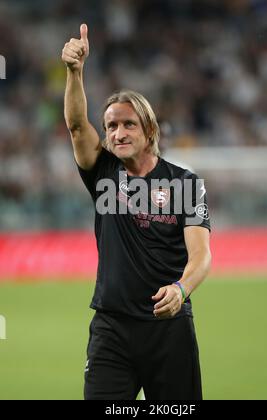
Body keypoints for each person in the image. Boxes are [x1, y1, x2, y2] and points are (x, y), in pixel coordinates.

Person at [62, 24, 212, 401]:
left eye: (129, 124)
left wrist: (182, 289)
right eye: (111, 126)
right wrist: (75, 72)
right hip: (111, 329)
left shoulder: (185, 183)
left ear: (149, 130)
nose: (118, 133)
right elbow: (77, 124)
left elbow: (202, 256)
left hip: (169, 330)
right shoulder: (103, 173)